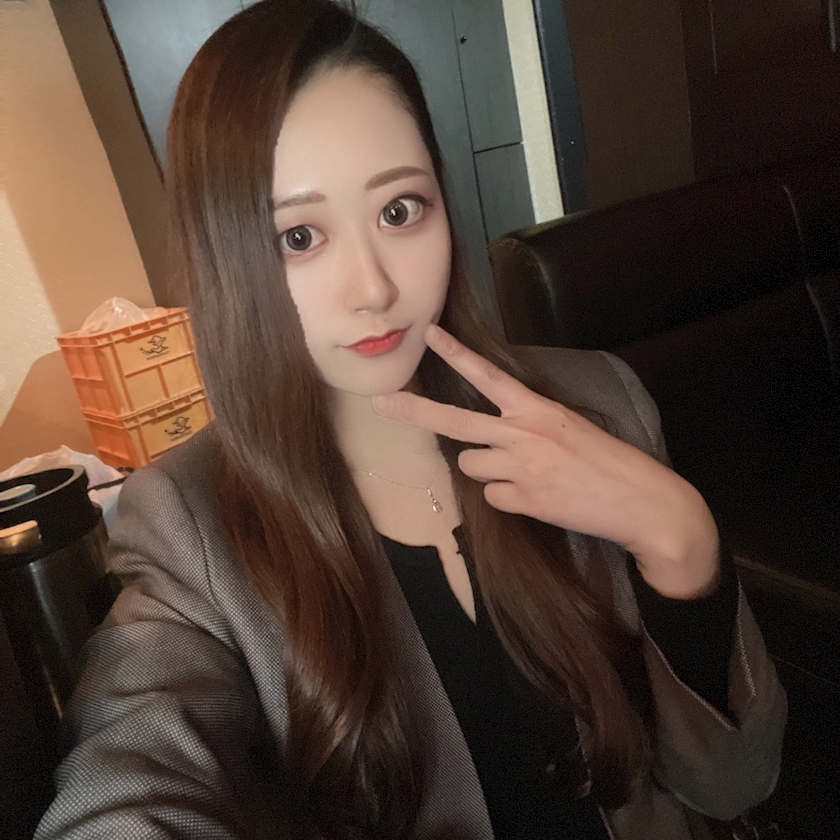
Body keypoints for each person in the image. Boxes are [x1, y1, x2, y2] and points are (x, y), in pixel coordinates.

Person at [35, 1, 786, 838]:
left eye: (399, 211)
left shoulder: (599, 403)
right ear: (226, 255)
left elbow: (735, 785)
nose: (374, 287)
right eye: (298, 237)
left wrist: (683, 541)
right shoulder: (191, 526)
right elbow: (129, 781)